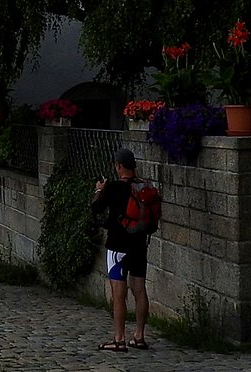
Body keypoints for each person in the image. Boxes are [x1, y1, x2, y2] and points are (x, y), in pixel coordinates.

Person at [90, 146, 150, 352]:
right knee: (140, 290)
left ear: (118, 166)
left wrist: (99, 189)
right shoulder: (143, 186)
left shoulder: (113, 187)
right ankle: (140, 336)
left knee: (118, 292)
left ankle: (119, 338)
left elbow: (95, 209)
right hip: (140, 244)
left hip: (117, 245)